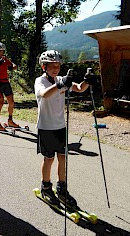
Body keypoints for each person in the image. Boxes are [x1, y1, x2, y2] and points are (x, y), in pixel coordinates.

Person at [34, 50, 93, 207]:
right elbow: (44, 94)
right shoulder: (40, 81)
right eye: (52, 66)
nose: (55, 69)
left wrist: (87, 81)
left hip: (60, 126)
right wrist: (59, 84)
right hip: (46, 127)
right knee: (49, 158)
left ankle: (62, 188)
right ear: (43, 66)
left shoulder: (61, 79)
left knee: (62, 157)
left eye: (58, 66)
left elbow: (79, 88)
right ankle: (46, 187)